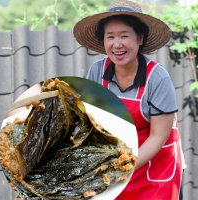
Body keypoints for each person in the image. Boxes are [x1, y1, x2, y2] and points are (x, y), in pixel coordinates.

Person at [73, 0, 184, 199]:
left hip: (154, 165)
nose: (117, 44)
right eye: (110, 37)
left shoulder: (157, 79)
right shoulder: (97, 71)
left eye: (124, 36)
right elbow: (90, 122)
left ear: (140, 38)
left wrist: (123, 166)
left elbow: (158, 136)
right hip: (116, 161)